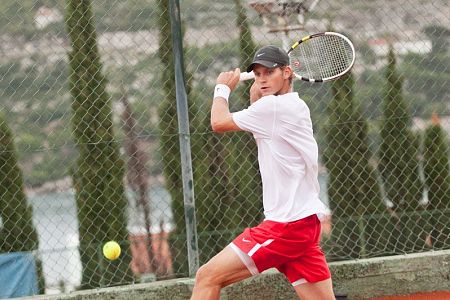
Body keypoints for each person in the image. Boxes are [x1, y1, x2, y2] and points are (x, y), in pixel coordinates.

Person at [190, 45, 335, 300]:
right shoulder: (294, 106)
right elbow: (260, 117)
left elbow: (218, 122)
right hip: (305, 223)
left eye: (269, 72)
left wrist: (222, 88)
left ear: (287, 72)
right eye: (257, 74)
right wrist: (259, 92)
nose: (262, 79)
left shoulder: (275, 110)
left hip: (285, 227)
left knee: (207, 277)